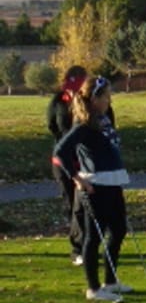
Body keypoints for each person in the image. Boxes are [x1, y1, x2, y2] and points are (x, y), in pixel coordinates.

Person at [52, 76, 133, 302]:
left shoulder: (104, 119)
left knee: (118, 230)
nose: (110, 99)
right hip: (95, 185)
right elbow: (60, 152)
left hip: (113, 182)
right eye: (106, 95)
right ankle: (94, 288)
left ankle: (111, 281)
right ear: (95, 98)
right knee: (93, 237)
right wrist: (77, 178)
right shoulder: (84, 125)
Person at [46, 64, 88, 265]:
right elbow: (52, 125)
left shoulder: (90, 101)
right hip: (63, 161)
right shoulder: (58, 100)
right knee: (73, 204)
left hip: (86, 161)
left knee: (86, 204)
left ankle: (86, 244)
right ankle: (78, 248)